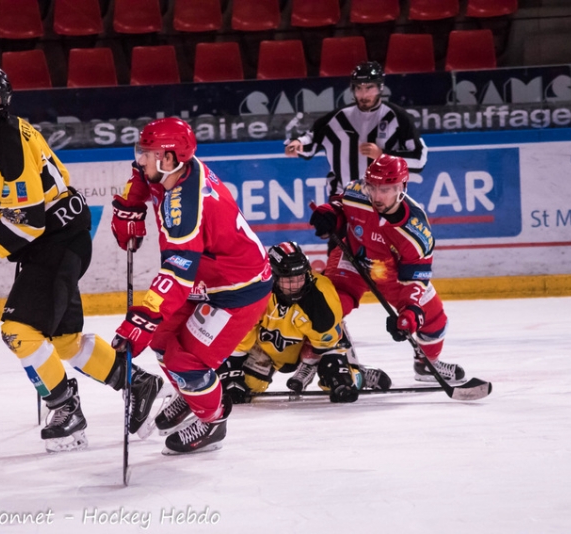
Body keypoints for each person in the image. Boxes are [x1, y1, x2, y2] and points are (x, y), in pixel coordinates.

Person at [0, 67, 163, 453]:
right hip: (58, 237)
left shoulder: (5, 141)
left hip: (54, 240)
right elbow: (22, 218)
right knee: (65, 340)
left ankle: (65, 409)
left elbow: (28, 223)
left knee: (17, 331)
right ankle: (139, 383)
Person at [110, 117, 272, 455]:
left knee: (187, 363)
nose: (141, 159)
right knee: (161, 340)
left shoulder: (186, 204)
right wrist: (130, 205)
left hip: (237, 289)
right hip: (206, 279)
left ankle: (213, 420)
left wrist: (145, 315)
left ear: (168, 158)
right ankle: (192, 397)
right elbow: (142, 176)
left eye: (148, 153)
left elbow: (178, 269)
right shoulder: (174, 167)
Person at [309, 154, 466, 383]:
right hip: (352, 259)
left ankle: (427, 364)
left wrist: (410, 313)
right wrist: (330, 214)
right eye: (373, 187)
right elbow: (340, 207)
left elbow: (415, 277)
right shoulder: (357, 191)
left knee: (434, 319)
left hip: (393, 274)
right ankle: (345, 369)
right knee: (328, 307)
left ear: (402, 187)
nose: (377, 195)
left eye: (386, 189)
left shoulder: (415, 230)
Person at [216, 241, 392, 403]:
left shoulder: (320, 295)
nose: (297, 285)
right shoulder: (256, 291)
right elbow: (241, 332)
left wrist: (337, 371)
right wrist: (232, 369)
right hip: (268, 348)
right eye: (289, 280)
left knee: (337, 379)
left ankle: (359, 374)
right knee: (244, 388)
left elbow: (328, 342)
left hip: (311, 345)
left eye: (300, 277)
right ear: (273, 276)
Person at [284, 61, 428, 197]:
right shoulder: (338, 118)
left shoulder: (398, 117)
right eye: (358, 88)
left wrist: (382, 156)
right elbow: (311, 138)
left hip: (385, 201)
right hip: (343, 198)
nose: (363, 95)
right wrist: (297, 144)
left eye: (369, 88)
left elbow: (419, 158)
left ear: (380, 88)